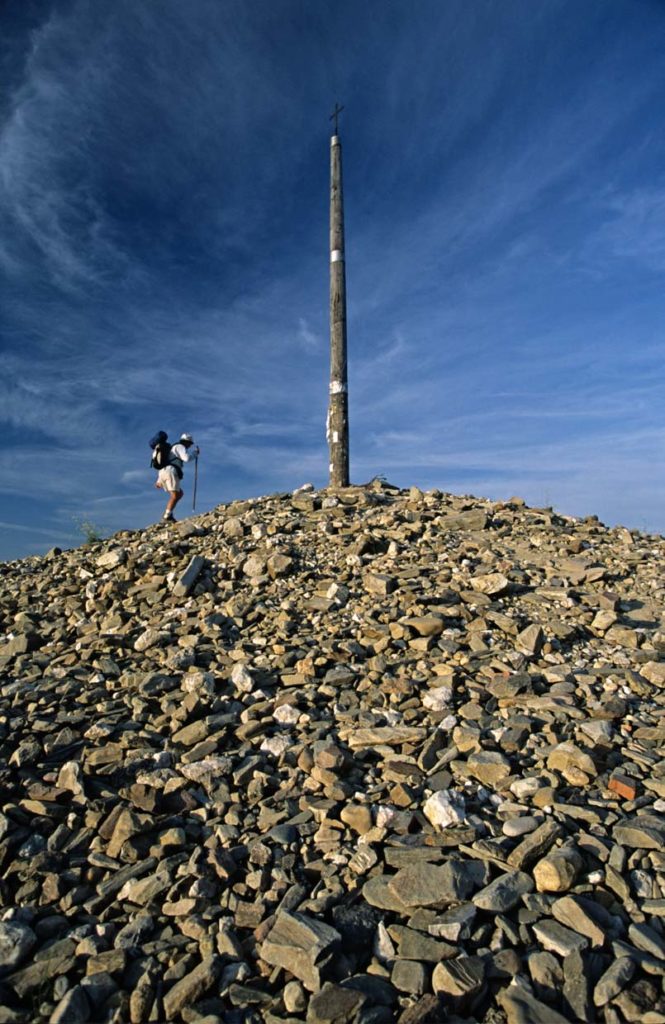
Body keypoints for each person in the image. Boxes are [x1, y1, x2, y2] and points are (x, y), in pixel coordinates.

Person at [155, 433, 200, 523]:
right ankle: (166, 517)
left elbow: (165, 463)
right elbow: (186, 458)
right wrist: (195, 453)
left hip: (164, 472)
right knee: (175, 495)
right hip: (171, 472)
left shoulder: (172, 448)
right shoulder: (180, 447)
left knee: (179, 494)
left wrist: (159, 480)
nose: (190, 446)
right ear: (187, 442)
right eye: (190, 444)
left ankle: (168, 514)